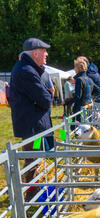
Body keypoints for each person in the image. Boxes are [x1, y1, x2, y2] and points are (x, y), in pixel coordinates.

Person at [10, 38, 53, 201]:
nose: (46, 54)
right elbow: (46, 99)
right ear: (35, 53)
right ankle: (31, 190)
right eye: (44, 51)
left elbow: (42, 98)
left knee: (35, 156)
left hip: (32, 124)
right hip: (32, 126)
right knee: (32, 156)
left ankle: (33, 186)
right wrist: (47, 95)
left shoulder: (28, 68)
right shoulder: (27, 71)